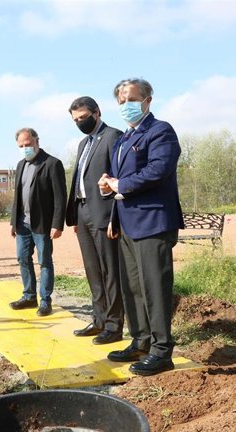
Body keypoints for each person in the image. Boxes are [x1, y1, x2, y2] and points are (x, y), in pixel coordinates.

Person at [99, 78, 184, 376]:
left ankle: (162, 351)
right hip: (127, 224)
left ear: (148, 100)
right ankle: (141, 341)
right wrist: (109, 192)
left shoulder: (160, 131)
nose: (126, 106)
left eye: (132, 99)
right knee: (133, 287)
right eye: (121, 101)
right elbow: (118, 182)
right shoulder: (123, 139)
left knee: (154, 288)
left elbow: (158, 170)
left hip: (152, 221)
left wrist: (120, 184)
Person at [65, 96, 125, 344]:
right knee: (92, 270)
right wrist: (76, 215)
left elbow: (119, 178)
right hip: (83, 210)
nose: (80, 122)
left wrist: (115, 217)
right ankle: (99, 319)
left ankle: (113, 325)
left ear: (96, 112)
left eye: (83, 117)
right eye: (76, 120)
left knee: (109, 270)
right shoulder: (82, 143)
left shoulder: (113, 136)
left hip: (103, 212)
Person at [9, 128, 67, 317]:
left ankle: (45, 301)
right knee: (22, 258)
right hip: (22, 223)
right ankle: (29, 296)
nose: (25, 148)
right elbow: (17, 195)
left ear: (37, 142)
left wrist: (57, 224)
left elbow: (60, 197)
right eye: (21, 146)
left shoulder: (52, 164)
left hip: (42, 223)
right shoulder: (20, 165)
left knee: (44, 261)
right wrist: (13, 221)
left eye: (28, 144)